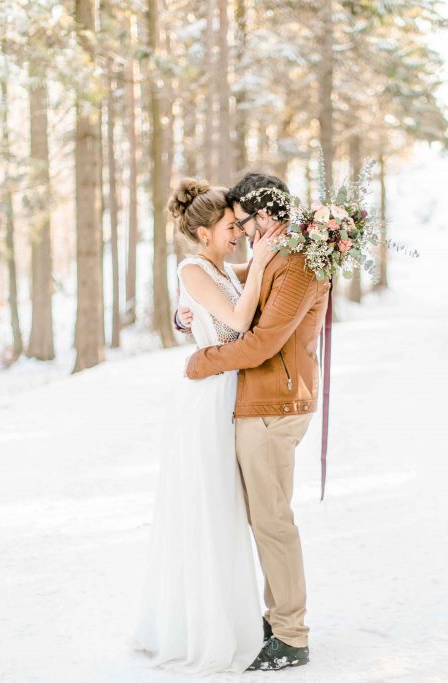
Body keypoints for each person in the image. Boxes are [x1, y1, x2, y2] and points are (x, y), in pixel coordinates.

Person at [183, 172, 331, 672]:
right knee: (263, 517)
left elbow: (262, 343)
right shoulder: (282, 257)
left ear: (263, 216)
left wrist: (203, 360)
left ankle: (290, 634)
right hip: (262, 401)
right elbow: (233, 284)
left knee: (271, 521)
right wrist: (192, 306)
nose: (242, 233)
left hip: (275, 404)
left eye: (243, 223)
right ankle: (277, 618)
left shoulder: (298, 266)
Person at [134, 178, 282, 674]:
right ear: (203, 234)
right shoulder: (193, 269)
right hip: (207, 400)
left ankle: (233, 618)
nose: (239, 232)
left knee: (226, 510)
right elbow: (239, 323)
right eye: (231, 226)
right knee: (209, 508)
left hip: (229, 392)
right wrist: (260, 262)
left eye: (240, 224)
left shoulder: (218, 268)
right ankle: (202, 626)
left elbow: (232, 293)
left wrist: (265, 256)